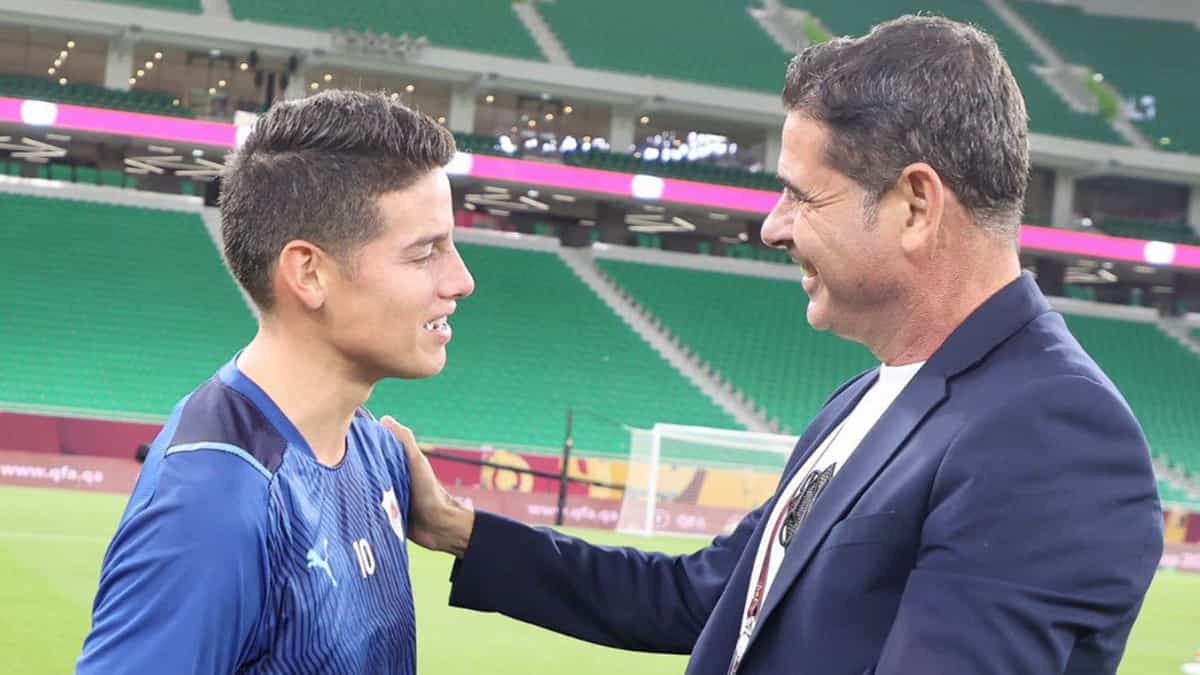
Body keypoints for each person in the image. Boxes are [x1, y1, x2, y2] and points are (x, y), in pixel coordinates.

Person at [386, 15, 1163, 675]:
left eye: (800, 194)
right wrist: (460, 527)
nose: (772, 226)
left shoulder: (1052, 433)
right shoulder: (867, 398)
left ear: (917, 205)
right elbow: (705, 596)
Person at [77, 90, 475, 674]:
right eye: (424, 254)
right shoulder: (212, 502)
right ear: (309, 273)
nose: (461, 280)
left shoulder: (379, 451)